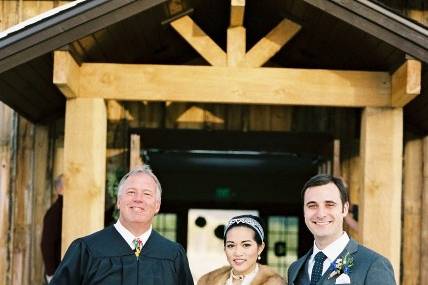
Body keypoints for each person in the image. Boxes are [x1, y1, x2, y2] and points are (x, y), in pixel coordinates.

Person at [50, 165, 194, 284]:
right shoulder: (86, 250)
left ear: (157, 206)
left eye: (147, 194)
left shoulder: (173, 255)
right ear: (119, 201)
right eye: (131, 192)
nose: (138, 199)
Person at [287, 174, 396, 285]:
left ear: (345, 209)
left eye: (329, 205)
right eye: (312, 205)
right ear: (304, 211)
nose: (320, 214)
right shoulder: (294, 269)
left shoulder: (373, 265)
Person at [198, 214, 285, 285]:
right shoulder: (208, 281)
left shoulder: (273, 282)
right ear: (225, 248)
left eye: (246, 245)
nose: (238, 252)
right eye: (231, 245)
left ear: (260, 248)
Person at [41, 174, 64, 284]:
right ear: (61, 189)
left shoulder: (66, 208)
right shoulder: (55, 212)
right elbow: (46, 244)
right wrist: (51, 275)